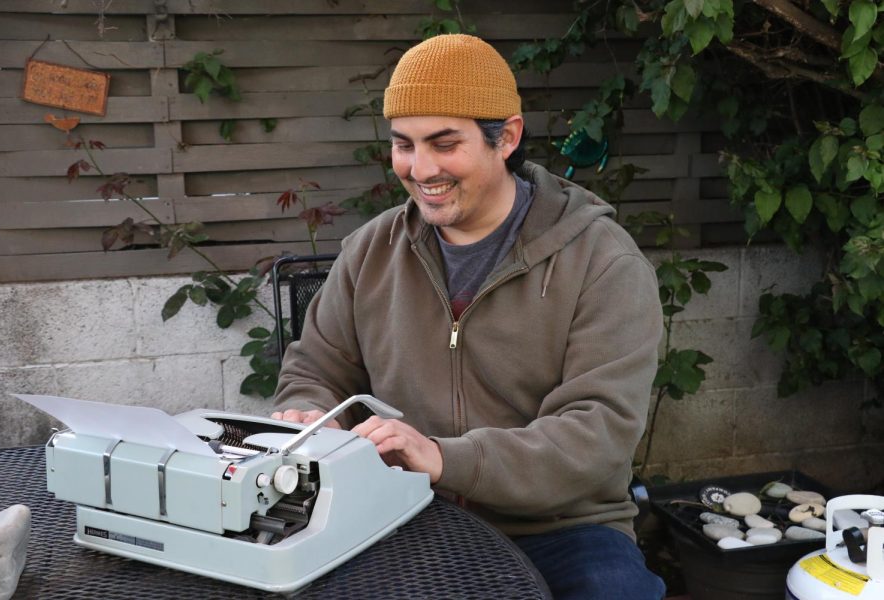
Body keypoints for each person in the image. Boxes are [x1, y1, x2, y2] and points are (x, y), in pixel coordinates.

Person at [272, 33, 665, 599]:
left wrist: (444, 458)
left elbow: (596, 433)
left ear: (505, 137)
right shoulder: (369, 250)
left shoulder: (603, 261)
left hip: (561, 527)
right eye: (403, 144)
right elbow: (316, 368)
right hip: (399, 511)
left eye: (444, 142)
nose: (419, 167)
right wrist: (310, 414)